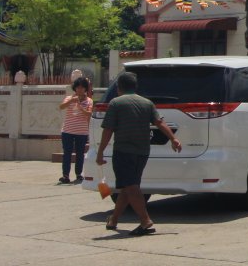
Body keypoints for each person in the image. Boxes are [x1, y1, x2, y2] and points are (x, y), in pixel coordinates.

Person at [95, 72, 181, 236]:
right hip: (142, 151)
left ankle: (145, 221)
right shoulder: (147, 103)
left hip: (123, 151)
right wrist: (173, 138)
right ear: (135, 87)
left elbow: (108, 130)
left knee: (131, 186)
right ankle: (113, 220)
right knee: (129, 186)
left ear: (119, 88)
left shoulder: (116, 103)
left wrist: (100, 153)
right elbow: (160, 122)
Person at [58, 76, 93, 184]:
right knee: (67, 153)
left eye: (82, 88)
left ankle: (78, 174)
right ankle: (65, 175)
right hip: (68, 130)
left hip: (81, 132)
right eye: (78, 87)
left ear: (85, 89)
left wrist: (80, 106)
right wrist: (71, 101)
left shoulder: (89, 101)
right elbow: (61, 107)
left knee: (79, 154)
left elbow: (89, 113)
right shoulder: (70, 98)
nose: (80, 90)